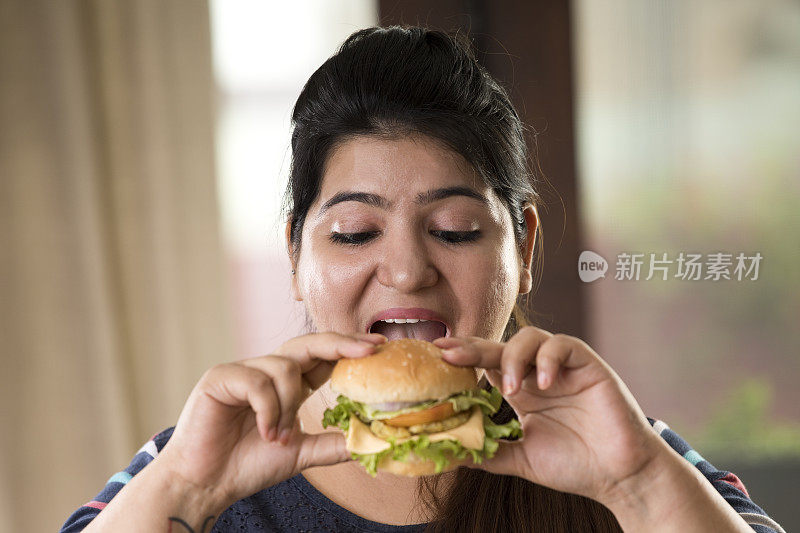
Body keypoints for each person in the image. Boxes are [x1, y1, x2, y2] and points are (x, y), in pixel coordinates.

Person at [61, 26, 784, 533]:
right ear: (294, 254)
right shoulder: (197, 457)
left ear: (524, 246)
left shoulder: (622, 449)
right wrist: (191, 488)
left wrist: (638, 485)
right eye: (354, 233)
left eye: (456, 230)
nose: (407, 268)